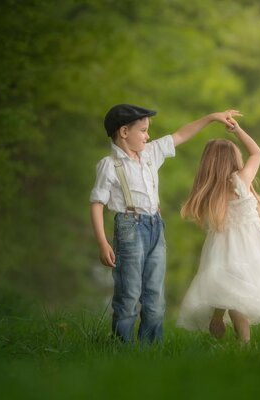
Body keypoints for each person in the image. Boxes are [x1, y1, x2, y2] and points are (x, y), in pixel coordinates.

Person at [90, 104, 238, 344]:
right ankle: (121, 349)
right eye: (144, 131)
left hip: (155, 227)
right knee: (128, 294)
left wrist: (212, 118)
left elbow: (181, 135)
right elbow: (97, 203)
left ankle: (151, 350)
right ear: (124, 132)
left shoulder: (150, 153)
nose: (148, 136)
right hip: (129, 228)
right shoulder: (109, 165)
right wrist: (102, 242)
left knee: (155, 296)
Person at [176, 114, 260, 343]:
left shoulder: (210, 191)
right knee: (237, 290)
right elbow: (257, 152)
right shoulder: (241, 180)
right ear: (233, 160)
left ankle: (219, 318)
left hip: (220, 248)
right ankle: (244, 344)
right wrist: (237, 130)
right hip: (250, 247)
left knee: (226, 284)